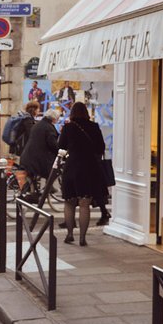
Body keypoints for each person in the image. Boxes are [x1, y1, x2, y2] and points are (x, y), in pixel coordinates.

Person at [57, 102, 107, 246]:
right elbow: (101, 148)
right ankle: (82, 238)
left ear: (72, 113)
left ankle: (70, 234)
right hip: (89, 168)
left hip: (71, 167)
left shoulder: (68, 127)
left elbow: (61, 147)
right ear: (86, 113)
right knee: (84, 204)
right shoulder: (94, 127)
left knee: (69, 202)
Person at [19, 108, 61, 184]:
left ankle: (36, 192)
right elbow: (52, 144)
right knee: (53, 171)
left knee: (33, 180)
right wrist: (59, 151)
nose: (57, 120)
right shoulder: (49, 128)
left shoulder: (38, 124)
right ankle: (48, 188)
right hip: (37, 159)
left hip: (28, 156)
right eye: (57, 118)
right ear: (54, 118)